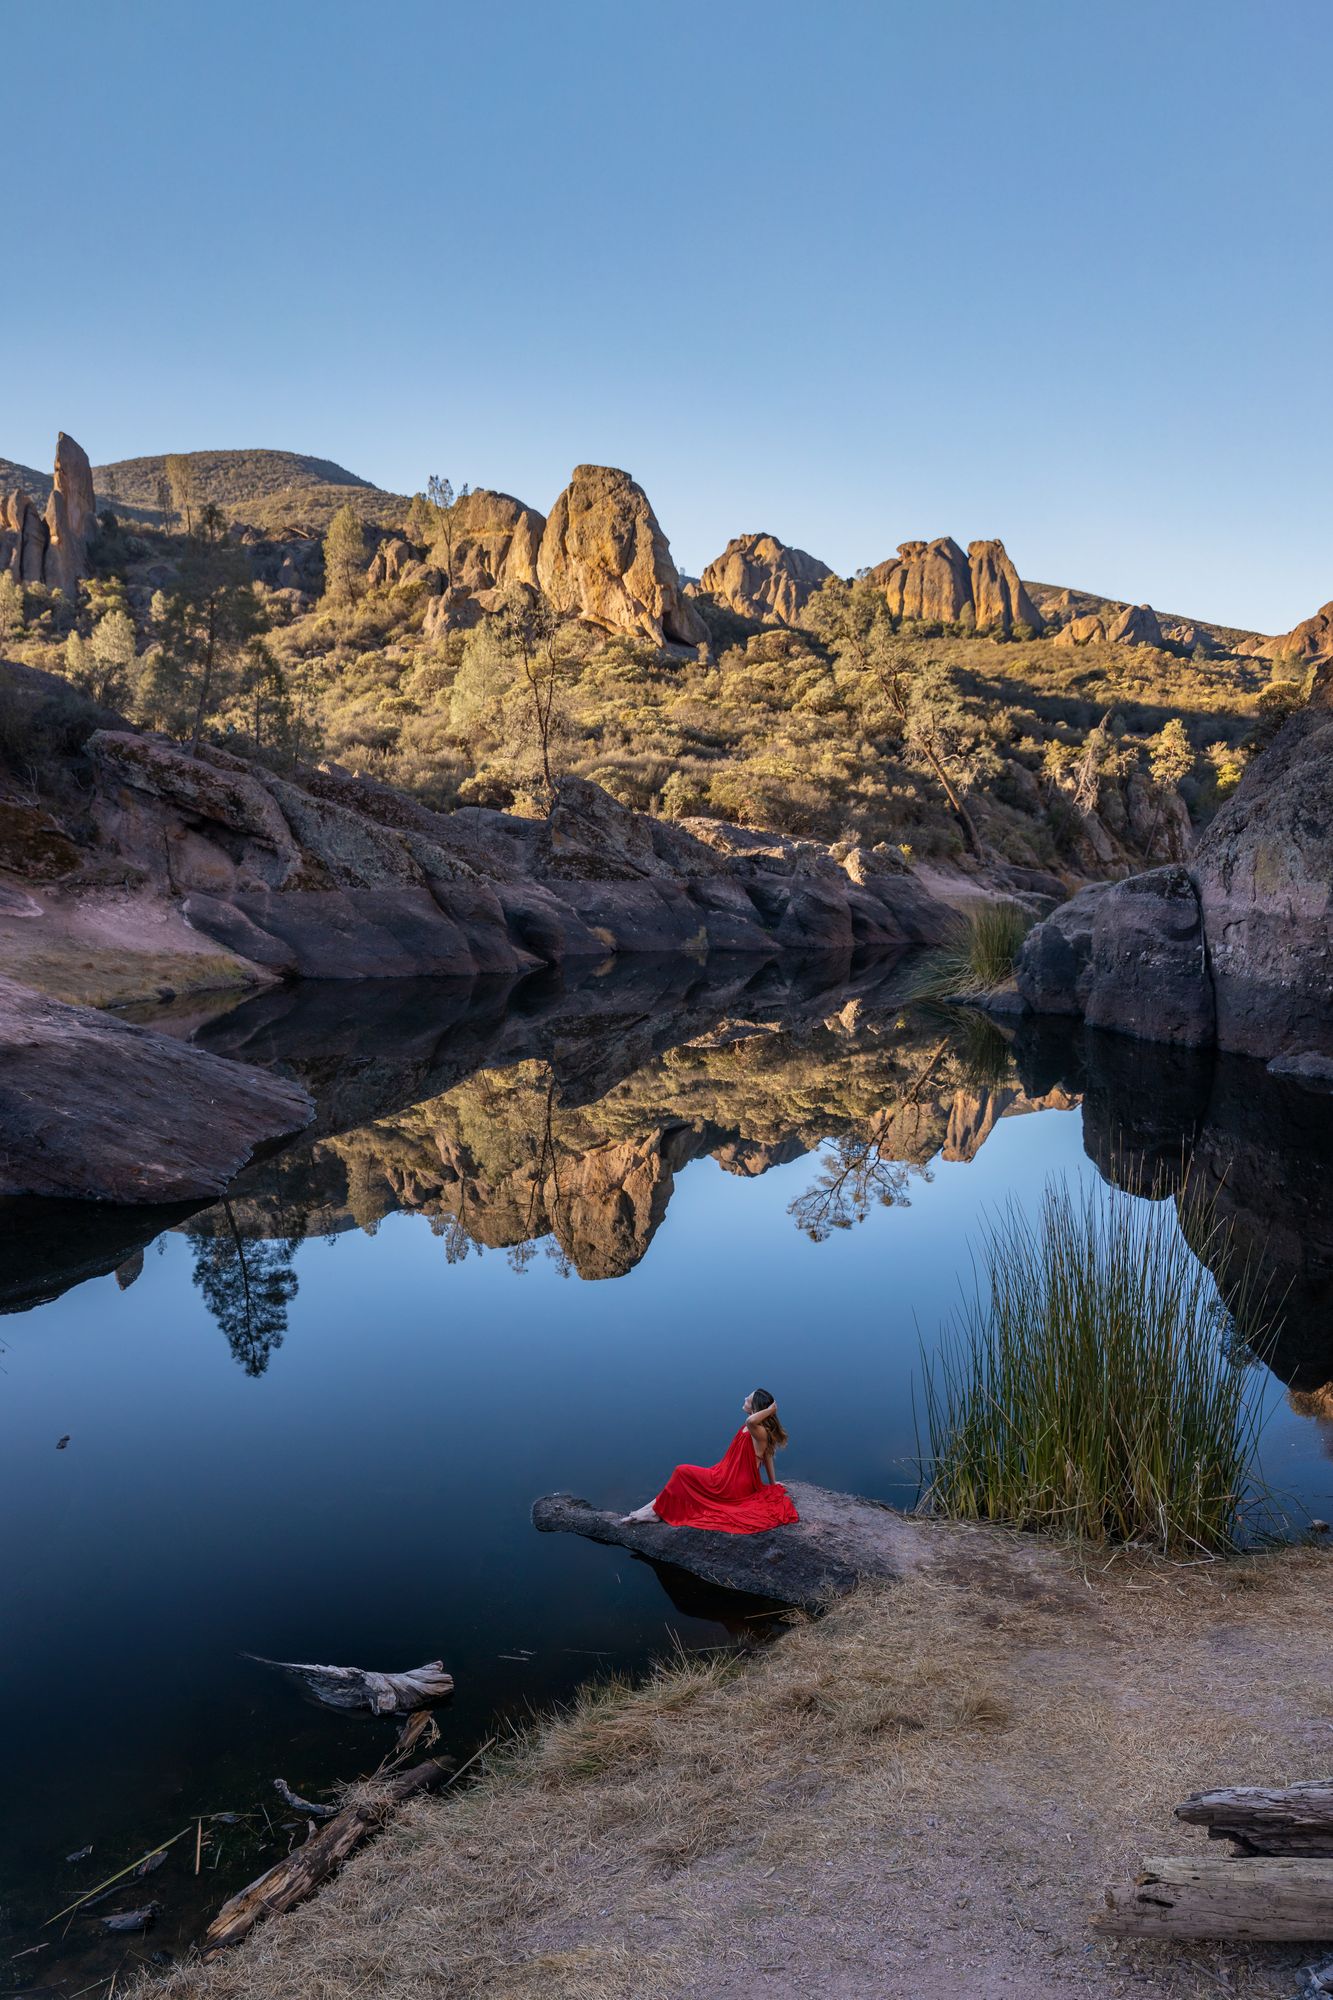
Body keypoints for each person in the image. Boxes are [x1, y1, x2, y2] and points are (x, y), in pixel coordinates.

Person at [620, 1389, 799, 1533]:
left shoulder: (757, 1429)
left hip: (733, 1484)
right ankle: (650, 1510)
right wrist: (773, 1482)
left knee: (682, 1471)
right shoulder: (756, 1429)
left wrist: (771, 1410)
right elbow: (768, 1456)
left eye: (749, 1399)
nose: (745, 1398)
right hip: (727, 1474)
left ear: (756, 1408)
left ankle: (653, 1513)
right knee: (684, 1477)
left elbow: (751, 1422)